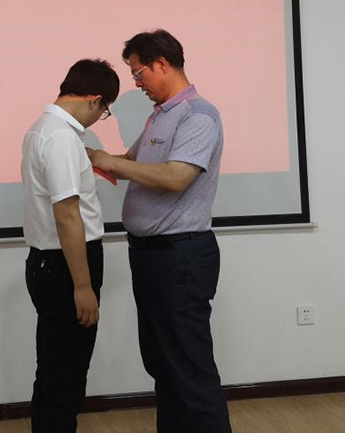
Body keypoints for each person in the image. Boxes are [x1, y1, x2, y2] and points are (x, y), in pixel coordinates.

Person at [89, 29, 231, 433]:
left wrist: (108, 161)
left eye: (139, 73)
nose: (136, 83)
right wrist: (86, 155)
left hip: (180, 258)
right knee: (163, 365)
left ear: (162, 64)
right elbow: (128, 162)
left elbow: (174, 177)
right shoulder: (160, 115)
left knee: (189, 369)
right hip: (151, 257)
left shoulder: (198, 115)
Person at [21, 58, 120, 433]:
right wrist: (82, 286)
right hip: (67, 265)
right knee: (66, 377)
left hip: (48, 262)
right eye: (105, 110)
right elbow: (67, 215)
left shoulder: (42, 128)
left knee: (52, 371)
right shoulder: (61, 137)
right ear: (95, 100)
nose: (100, 118)